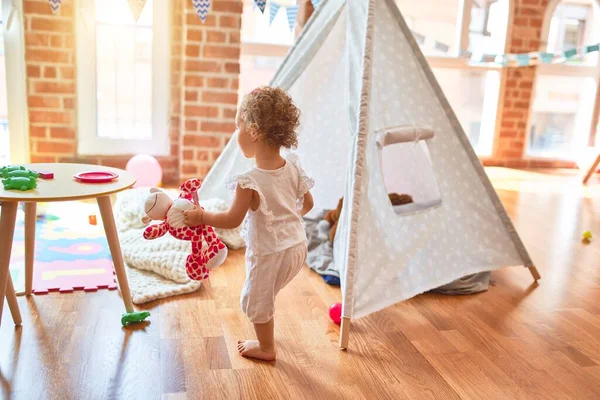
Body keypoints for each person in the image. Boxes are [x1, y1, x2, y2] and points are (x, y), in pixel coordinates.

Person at [184, 86, 314, 361]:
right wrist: (286, 221)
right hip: (298, 247)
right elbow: (308, 204)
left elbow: (231, 220)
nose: (236, 134)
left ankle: (267, 347)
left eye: (238, 126)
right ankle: (267, 326)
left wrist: (201, 216)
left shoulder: (249, 181)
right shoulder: (292, 167)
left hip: (270, 253)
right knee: (267, 292)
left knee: (255, 300)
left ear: (253, 131)